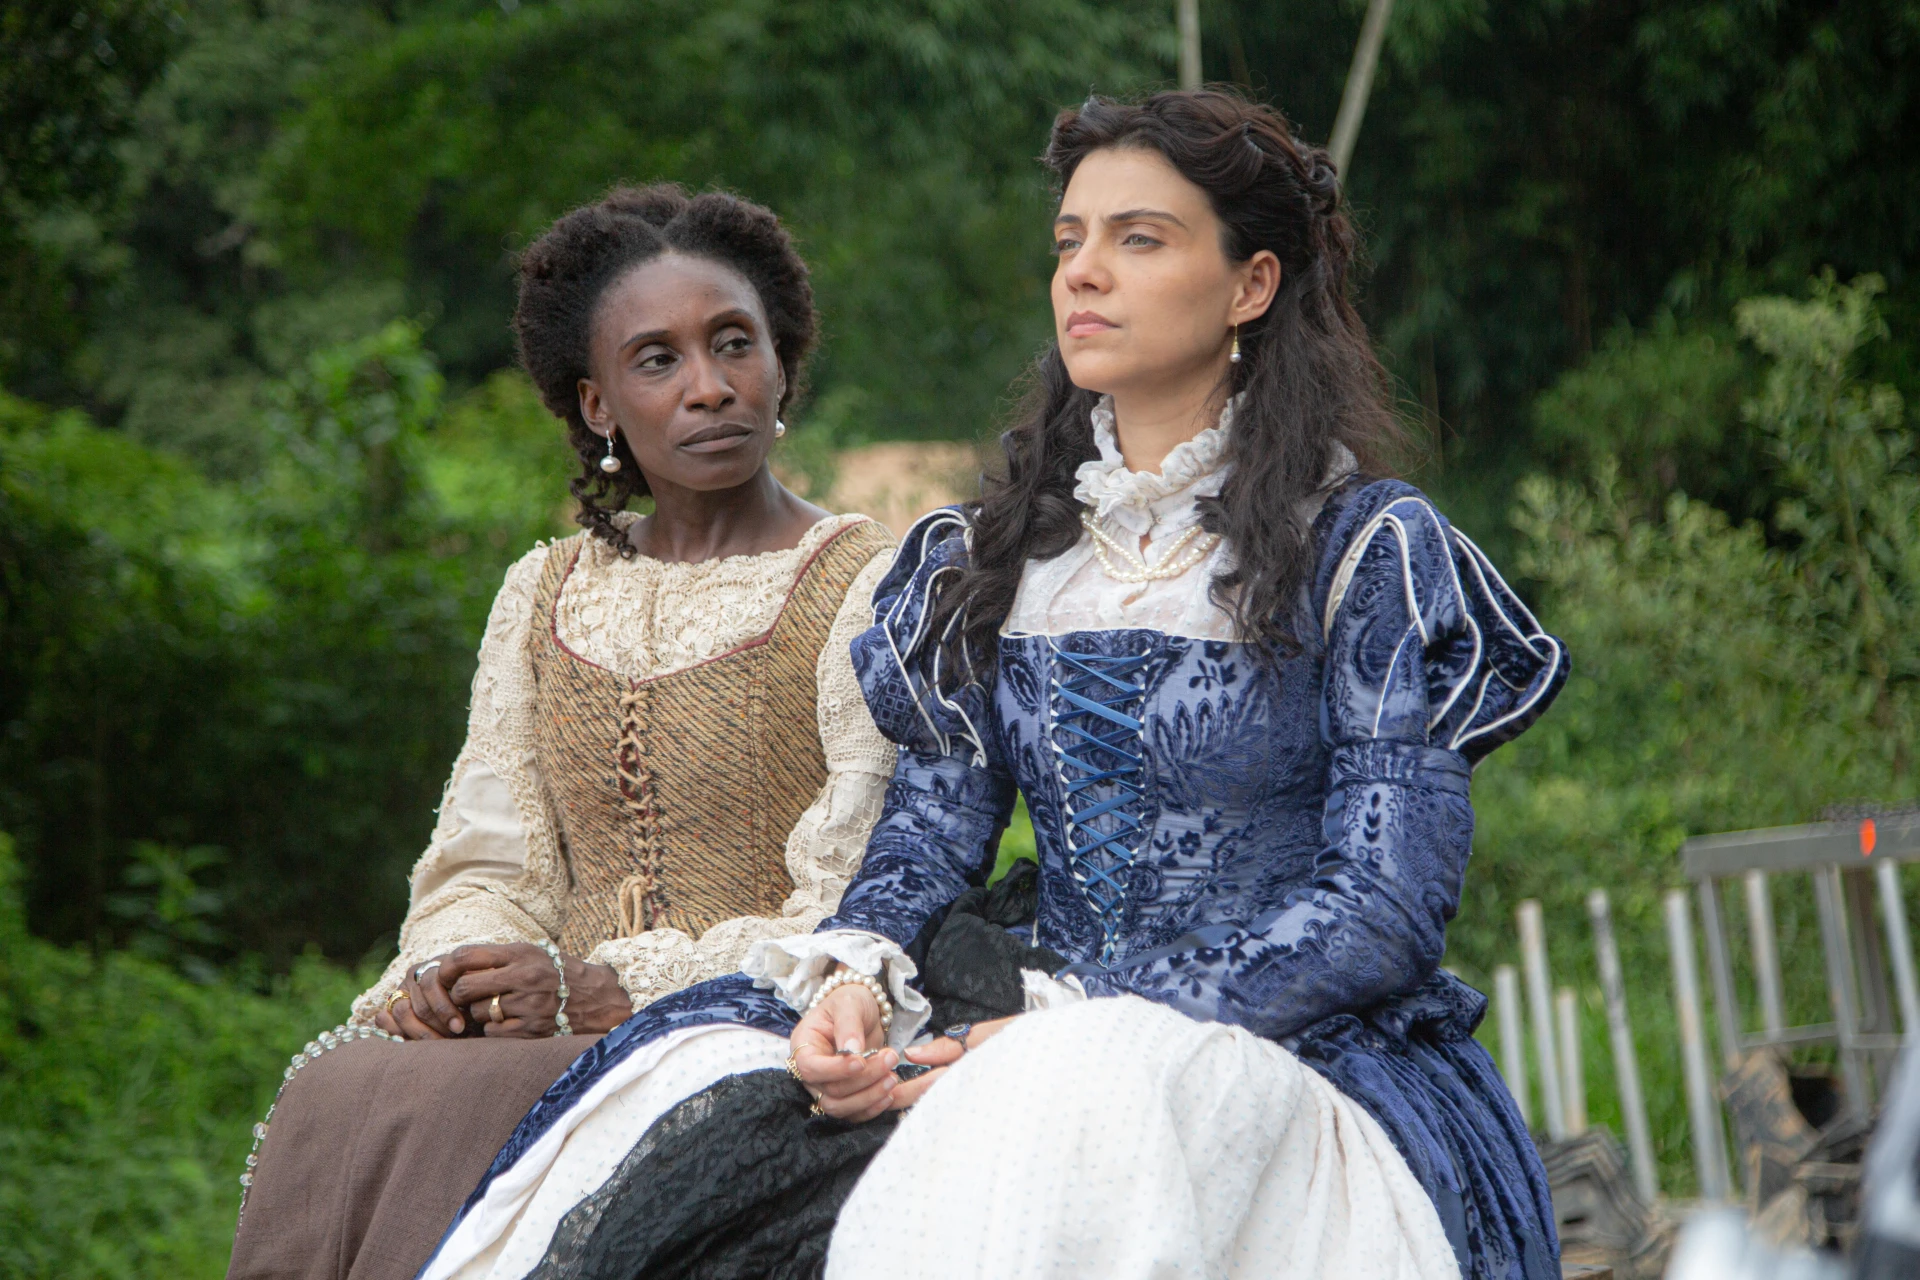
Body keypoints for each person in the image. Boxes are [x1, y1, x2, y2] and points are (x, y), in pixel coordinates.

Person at [420, 88, 1568, 1280]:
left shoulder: (1368, 551)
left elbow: (1382, 905)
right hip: (1021, 1019)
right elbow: (928, 834)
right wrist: (858, 974)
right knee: (693, 1088)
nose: (1084, 273)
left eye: (1139, 238)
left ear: (1252, 284)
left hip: (1287, 1041)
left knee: (1056, 1141)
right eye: (1070, 241)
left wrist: (1078, 1021)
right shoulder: (1000, 552)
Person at [226, 184, 898, 1280]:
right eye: (658, 360)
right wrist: (460, 971)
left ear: (782, 363)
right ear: (597, 404)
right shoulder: (542, 592)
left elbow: (861, 886)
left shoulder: (868, 582)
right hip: (543, 1022)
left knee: (502, 1102)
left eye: (735, 343)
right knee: (348, 1087)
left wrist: (607, 987)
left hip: (758, 1014)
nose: (710, 385)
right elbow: (488, 857)